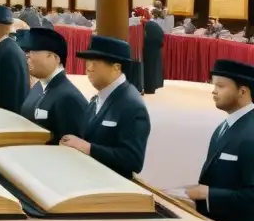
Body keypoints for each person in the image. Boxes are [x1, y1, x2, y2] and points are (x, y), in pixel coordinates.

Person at [182, 59, 254, 221]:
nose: (213, 91)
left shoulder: (251, 132)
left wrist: (209, 193)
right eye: (213, 85)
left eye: (221, 86)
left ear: (243, 91)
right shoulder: (225, 126)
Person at [60, 35, 151, 179]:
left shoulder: (132, 105)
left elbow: (133, 160)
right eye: (88, 61)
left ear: (116, 67)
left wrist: (88, 148)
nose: (88, 68)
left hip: (111, 188)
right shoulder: (96, 98)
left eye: (95, 62)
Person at [19, 28, 87, 143]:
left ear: (54, 57)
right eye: (26, 52)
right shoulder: (38, 87)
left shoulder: (68, 98)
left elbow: (72, 150)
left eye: (32, 51)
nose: (27, 56)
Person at [142, 14, 165, 94]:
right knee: (154, 67)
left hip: (149, 47)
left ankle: (148, 88)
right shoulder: (153, 25)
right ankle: (152, 87)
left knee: (149, 68)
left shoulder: (145, 26)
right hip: (155, 47)